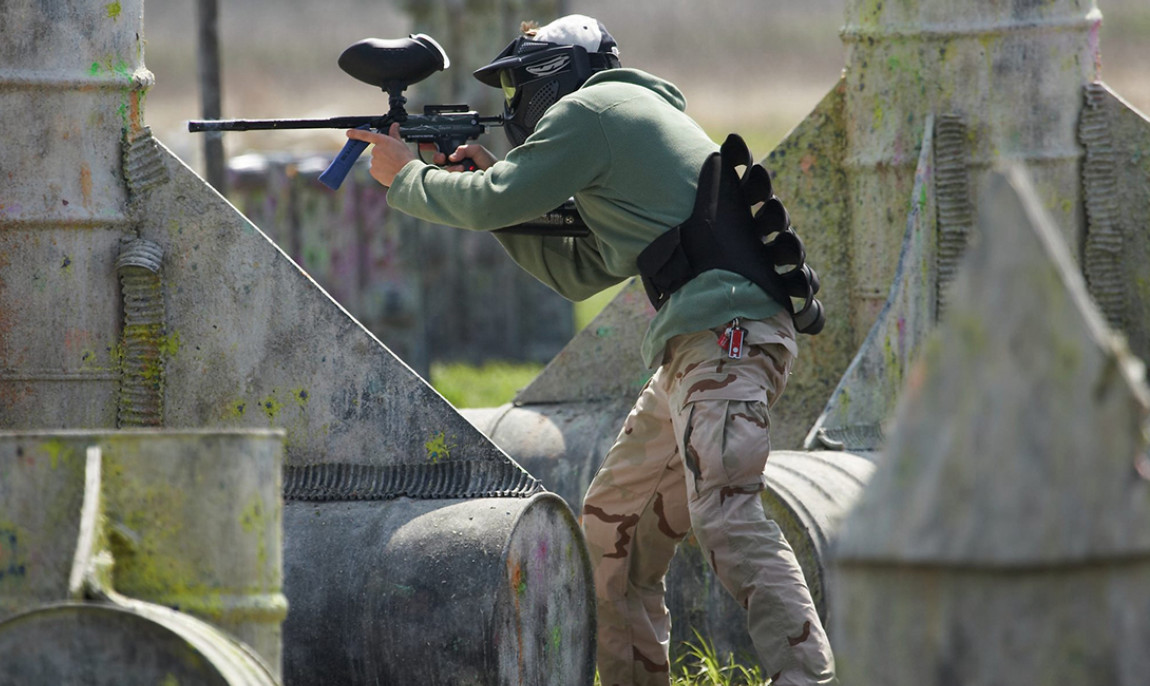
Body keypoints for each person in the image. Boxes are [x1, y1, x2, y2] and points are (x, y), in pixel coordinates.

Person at [347, 15, 835, 686]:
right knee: (614, 532)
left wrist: (407, 178)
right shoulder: (625, 120)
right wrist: (494, 193)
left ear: (558, 75)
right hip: (699, 344)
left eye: (520, 86)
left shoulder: (594, 109)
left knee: (726, 513)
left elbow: (492, 200)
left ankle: (807, 677)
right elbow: (580, 271)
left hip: (726, 335)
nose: (516, 105)